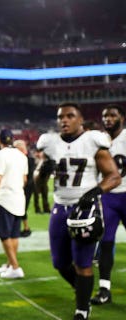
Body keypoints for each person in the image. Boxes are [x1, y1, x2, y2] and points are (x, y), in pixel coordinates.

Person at [36, 102, 121, 320]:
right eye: (60, 117)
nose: (64, 120)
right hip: (59, 207)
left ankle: (82, 309)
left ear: (80, 119)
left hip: (84, 209)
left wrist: (95, 192)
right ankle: (83, 291)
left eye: (69, 116)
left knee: (83, 263)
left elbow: (114, 176)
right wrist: (41, 175)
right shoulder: (51, 143)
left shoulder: (92, 141)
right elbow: (39, 179)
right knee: (60, 263)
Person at [91, 104, 126, 306]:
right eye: (105, 116)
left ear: (122, 117)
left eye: (112, 115)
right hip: (108, 197)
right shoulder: (98, 140)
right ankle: (105, 289)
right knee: (105, 244)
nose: (108, 119)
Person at [0, 130, 28, 279]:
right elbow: (24, 179)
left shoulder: (0, 155)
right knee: (14, 234)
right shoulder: (21, 156)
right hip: (19, 199)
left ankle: (15, 267)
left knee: (4, 235)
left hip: (5, 199)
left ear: (0, 140)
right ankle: (10, 264)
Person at [13, 139, 34, 237]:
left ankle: (26, 228)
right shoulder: (26, 159)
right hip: (24, 186)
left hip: (26, 187)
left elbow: (26, 177)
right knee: (20, 207)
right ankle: (24, 228)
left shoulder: (27, 159)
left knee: (22, 208)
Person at [33, 149, 52, 214]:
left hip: (43, 181)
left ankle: (46, 209)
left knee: (45, 195)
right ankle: (37, 209)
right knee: (36, 196)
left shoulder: (47, 162)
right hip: (37, 181)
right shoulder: (37, 160)